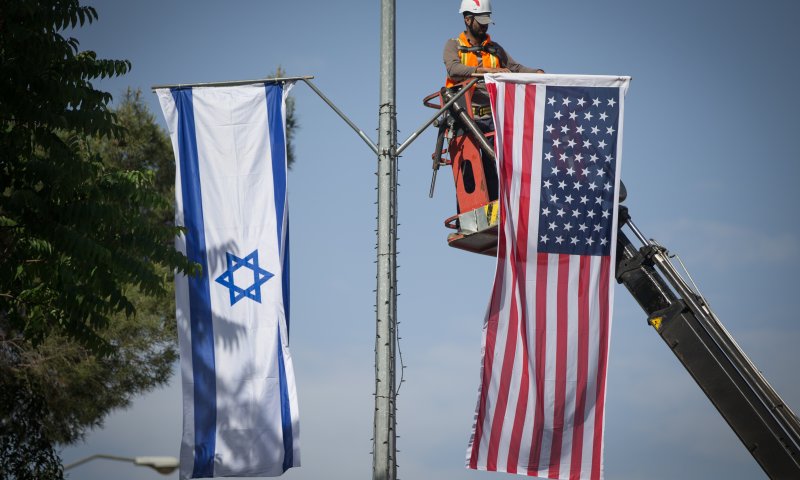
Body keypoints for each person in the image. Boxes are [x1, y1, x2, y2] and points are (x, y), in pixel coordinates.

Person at [443, 0, 543, 117]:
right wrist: (488, 71)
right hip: (464, 116)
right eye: (480, 22)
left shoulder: (495, 48)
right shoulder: (454, 45)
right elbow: (453, 70)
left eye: (486, 21)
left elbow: (515, 68)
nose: (485, 26)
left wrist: (537, 73)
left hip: (495, 117)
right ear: (467, 20)